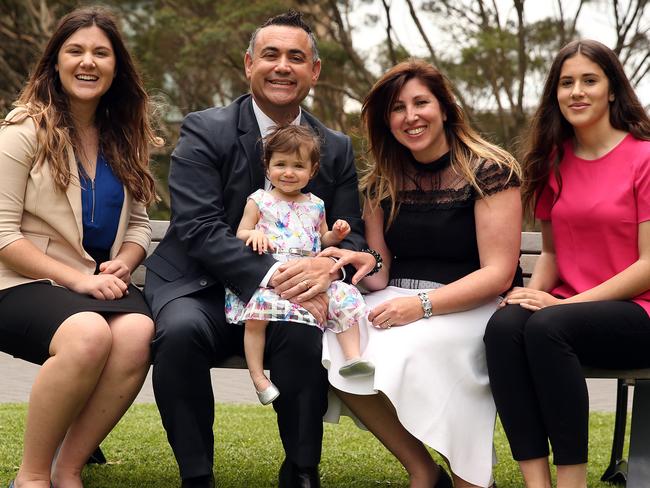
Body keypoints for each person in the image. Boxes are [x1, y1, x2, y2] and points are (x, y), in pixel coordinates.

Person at [143, 10, 366, 488]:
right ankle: (196, 475)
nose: (283, 66)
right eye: (270, 55)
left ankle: (303, 469)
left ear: (314, 71)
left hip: (293, 294)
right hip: (198, 285)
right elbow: (198, 226)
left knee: (304, 330)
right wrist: (271, 274)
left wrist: (329, 270)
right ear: (248, 64)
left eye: (296, 57)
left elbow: (353, 237)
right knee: (179, 335)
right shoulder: (206, 129)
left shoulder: (337, 147)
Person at [320, 59, 522, 488]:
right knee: (333, 344)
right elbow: (380, 270)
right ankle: (422, 469)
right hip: (395, 294)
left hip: (475, 302)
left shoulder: (489, 170)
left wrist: (422, 305)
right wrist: (363, 262)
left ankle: (468, 473)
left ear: (445, 108)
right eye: (397, 108)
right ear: (386, 121)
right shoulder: (380, 182)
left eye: (421, 103)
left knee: (408, 350)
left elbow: (500, 273)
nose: (410, 117)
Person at [0, 6, 159, 488]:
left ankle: (68, 469)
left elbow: (140, 222)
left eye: (101, 53)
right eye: (75, 50)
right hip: (23, 281)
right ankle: (31, 477)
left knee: (137, 333)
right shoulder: (23, 129)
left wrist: (125, 261)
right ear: (55, 62)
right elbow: (3, 233)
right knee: (88, 334)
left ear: (116, 67)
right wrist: (81, 280)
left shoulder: (125, 135)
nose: (87, 62)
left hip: (95, 283)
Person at [483, 39, 650, 488]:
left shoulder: (645, 158)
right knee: (503, 328)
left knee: (546, 325)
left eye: (589, 80)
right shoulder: (552, 161)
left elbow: (649, 264)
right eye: (566, 82)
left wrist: (563, 306)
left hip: (640, 312)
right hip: (572, 316)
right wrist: (527, 297)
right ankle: (537, 482)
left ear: (613, 89)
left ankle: (571, 483)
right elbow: (553, 254)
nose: (576, 91)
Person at [225, 125, 373, 405]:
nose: (289, 172)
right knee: (256, 318)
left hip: (308, 274)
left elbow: (322, 237)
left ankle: (353, 357)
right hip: (274, 274)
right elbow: (241, 233)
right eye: (280, 164)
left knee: (344, 298)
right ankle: (258, 377)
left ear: (312, 171)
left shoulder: (316, 205)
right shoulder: (260, 201)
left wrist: (337, 235)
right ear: (267, 168)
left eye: (298, 166)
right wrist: (253, 233)